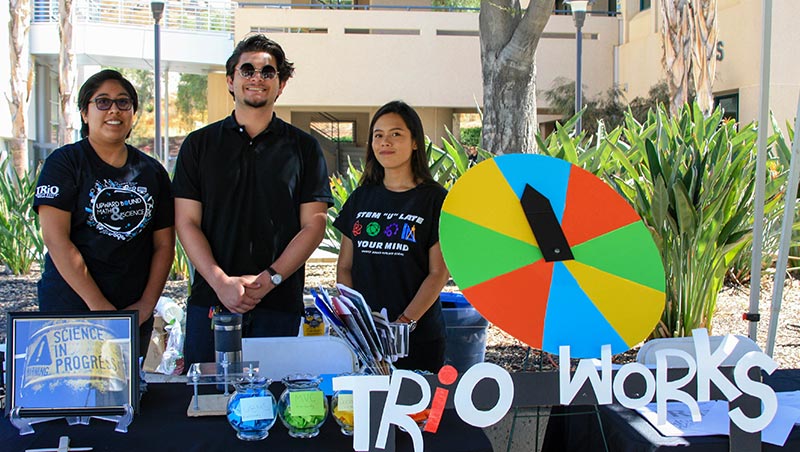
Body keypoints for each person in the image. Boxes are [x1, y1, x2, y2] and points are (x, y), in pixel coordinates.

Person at [172, 34, 333, 367]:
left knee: (272, 406)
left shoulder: (303, 148)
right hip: (212, 303)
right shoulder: (199, 145)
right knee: (207, 403)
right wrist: (220, 281)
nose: (257, 78)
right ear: (231, 81)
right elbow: (186, 222)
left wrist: (270, 279)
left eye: (268, 72)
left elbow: (314, 225)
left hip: (278, 302)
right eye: (247, 70)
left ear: (281, 83)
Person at [34, 69, 175, 356]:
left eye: (123, 102)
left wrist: (147, 305)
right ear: (85, 113)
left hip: (132, 310)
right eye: (102, 102)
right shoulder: (64, 163)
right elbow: (55, 239)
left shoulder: (152, 172)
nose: (114, 109)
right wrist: (100, 308)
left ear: (133, 113)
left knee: (127, 395)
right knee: (72, 396)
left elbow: (164, 245)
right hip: (72, 306)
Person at [333, 101, 450, 373]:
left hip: (418, 338)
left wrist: (403, 324)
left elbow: (438, 273)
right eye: (378, 135)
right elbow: (345, 267)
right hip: (366, 340)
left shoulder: (435, 200)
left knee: (416, 415)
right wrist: (356, 322)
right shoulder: (361, 197)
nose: (385, 142)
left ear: (415, 143)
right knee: (366, 414)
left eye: (396, 134)